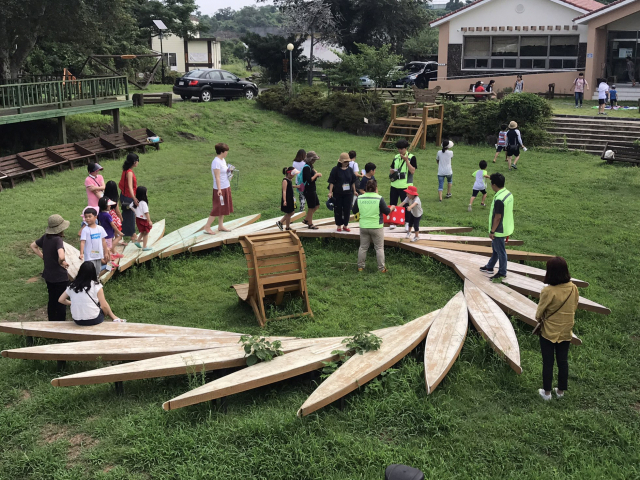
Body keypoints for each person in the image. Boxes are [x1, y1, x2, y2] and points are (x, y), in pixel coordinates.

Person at [536, 256, 579, 401]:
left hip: (549, 331)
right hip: (566, 329)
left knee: (548, 362)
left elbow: (539, 313)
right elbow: (575, 305)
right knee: (563, 361)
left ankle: (547, 393)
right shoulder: (573, 287)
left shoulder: (548, 291)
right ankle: (560, 391)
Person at [29, 214, 71, 322]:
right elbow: (61, 255)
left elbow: (33, 246)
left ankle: (51, 322)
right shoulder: (58, 240)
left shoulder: (45, 237)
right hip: (60, 277)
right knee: (61, 301)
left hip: (48, 275)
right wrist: (61, 262)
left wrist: (44, 257)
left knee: (52, 299)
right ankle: (60, 324)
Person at [58, 261, 124, 325]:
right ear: (93, 272)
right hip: (94, 319)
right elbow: (104, 306)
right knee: (103, 302)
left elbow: (61, 300)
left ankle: (114, 317)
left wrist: (72, 303)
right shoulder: (96, 286)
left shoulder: (72, 285)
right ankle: (114, 318)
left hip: (77, 320)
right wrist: (106, 313)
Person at [352, 179, 395, 272]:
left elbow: (354, 210)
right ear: (376, 188)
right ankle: (381, 268)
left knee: (363, 247)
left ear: (366, 188)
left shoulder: (360, 198)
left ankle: (360, 267)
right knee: (379, 248)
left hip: (363, 226)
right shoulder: (379, 198)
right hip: (376, 226)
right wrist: (392, 207)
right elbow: (387, 212)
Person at [479, 173, 513, 281]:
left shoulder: (499, 199)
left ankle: (502, 272)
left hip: (499, 229)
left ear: (494, 185)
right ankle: (490, 267)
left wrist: (492, 231)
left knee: (501, 251)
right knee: (496, 249)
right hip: (506, 226)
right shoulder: (508, 194)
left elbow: (497, 217)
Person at [204, 143, 234, 235]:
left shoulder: (223, 160)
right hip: (219, 189)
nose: (227, 153)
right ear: (222, 152)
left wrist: (230, 171)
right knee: (217, 208)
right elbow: (217, 177)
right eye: (226, 151)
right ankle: (207, 226)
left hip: (226, 186)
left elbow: (224, 172)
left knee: (223, 207)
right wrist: (219, 190)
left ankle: (220, 226)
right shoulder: (216, 162)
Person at [389, 139, 416, 228]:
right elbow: (391, 168)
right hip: (394, 185)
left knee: (406, 205)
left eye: (402, 149)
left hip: (406, 186)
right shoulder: (396, 157)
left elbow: (412, 171)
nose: (400, 150)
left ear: (406, 148)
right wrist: (392, 171)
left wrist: (406, 160)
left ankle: (407, 223)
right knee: (393, 203)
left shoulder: (412, 157)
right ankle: (393, 222)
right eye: (399, 149)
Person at [328, 153, 357, 232]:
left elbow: (353, 181)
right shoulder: (335, 170)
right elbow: (331, 182)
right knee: (338, 209)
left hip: (348, 194)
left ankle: (345, 225)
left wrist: (354, 191)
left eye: (347, 162)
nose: (346, 163)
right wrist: (330, 192)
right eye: (345, 162)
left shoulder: (350, 170)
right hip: (338, 193)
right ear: (341, 162)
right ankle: (338, 225)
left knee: (347, 209)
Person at [79, 207, 110, 277]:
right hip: (89, 255)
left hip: (98, 253)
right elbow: (82, 242)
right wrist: (81, 253)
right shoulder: (85, 230)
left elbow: (103, 241)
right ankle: (90, 283)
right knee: (90, 270)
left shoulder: (100, 229)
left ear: (95, 217)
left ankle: (96, 282)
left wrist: (106, 253)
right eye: (86, 217)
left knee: (98, 270)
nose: (87, 218)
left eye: (90, 216)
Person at [118, 153, 139, 242]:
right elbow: (130, 187)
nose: (138, 163)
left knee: (126, 215)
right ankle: (132, 235)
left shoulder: (125, 170)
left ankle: (129, 233)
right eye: (137, 161)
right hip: (128, 197)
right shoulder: (129, 172)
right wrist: (134, 198)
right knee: (130, 216)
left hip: (123, 195)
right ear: (134, 162)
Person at [97, 197, 124, 261]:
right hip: (108, 233)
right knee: (108, 248)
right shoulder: (107, 215)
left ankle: (113, 255)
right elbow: (113, 225)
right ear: (106, 206)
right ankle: (109, 263)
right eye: (109, 204)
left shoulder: (100, 214)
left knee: (108, 245)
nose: (110, 205)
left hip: (104, 233)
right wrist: (119, 232)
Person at [301, 151, 322, 229]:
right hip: (308, 190)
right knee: (311, 207)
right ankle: (310, 224)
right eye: (313, 159)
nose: (314, 161)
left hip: (312, 189)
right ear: (310, 159)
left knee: (317, 205)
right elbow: (309, 180)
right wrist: (316, 175)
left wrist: (316, 174)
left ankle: (306, 219)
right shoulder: (306, 167)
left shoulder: (310, 167)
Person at [276, 166, 298, 231]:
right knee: (290, 213)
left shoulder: (289, 180)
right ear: (289, 174)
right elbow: (284, 190)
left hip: (291, 198)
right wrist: (285, 200)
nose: (293, 176)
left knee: (291, 212)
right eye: (293, 175)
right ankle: (287, 227)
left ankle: (280, 222)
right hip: (287, 199)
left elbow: (290, 186)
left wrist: (297, 186)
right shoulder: (285, 180)